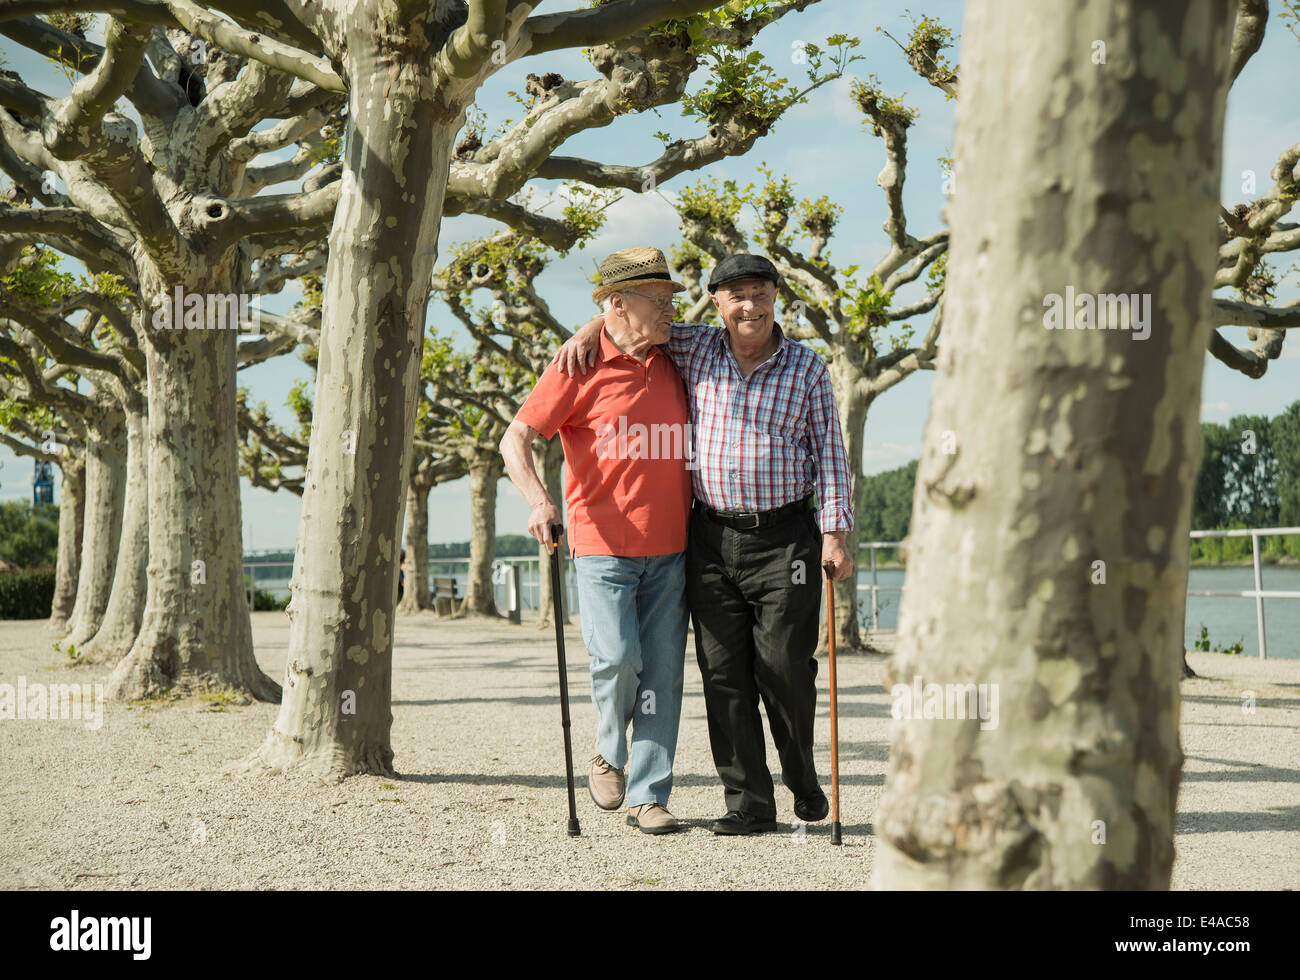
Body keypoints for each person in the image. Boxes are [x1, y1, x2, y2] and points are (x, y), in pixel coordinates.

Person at [557, 253, 854, 836]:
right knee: (722, 673)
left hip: (786, 539)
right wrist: (592, 324)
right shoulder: (692, 347)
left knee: (785, 667)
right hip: (710, 537)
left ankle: (800, 773)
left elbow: (832, 458)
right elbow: (629, 319)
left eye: (761, 293)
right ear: (716, 303)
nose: (750, 305)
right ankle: (749, 802)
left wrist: (835, 533)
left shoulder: (808, 368)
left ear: (776, 299)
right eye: (736, 294)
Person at [499, 246, 693, 835]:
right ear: (618, 303)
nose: (669, 312)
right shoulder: (575, 367)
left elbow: (731, 329)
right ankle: (609, 751)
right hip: (602, 545)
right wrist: (539, 500)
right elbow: (516, 440)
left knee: (662, 673)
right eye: (657, 301)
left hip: (674, 547)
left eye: (670, 300)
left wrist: (598, 321)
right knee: (617, 659)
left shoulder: (678, 352)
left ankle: (649, 795)